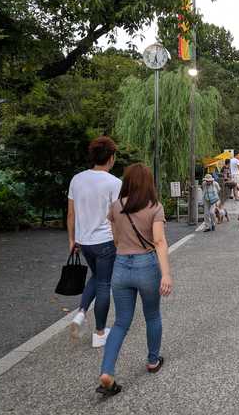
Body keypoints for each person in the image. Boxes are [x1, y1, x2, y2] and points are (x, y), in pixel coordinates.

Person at [97, 163, 173, 396]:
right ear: (148, 182)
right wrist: (166, 274)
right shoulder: (154, 207)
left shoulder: (115, 207)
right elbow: (159, 242)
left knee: (120, 322)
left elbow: (116, 239)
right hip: (146, 266)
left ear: (127, 181)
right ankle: (152, 360)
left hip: (121, 266)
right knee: (152, 315)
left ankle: (107, 371)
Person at [68, 136, 121, 348]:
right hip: (106, 241)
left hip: (84, 241)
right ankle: (99, 333)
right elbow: (117, 216)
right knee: (104, 284)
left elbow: (71, 214)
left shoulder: (77, 179)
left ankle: (80, 313)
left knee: (97, 276)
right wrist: (120, 242)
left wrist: (72, 239)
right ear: (110, 158)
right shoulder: (114, 183)